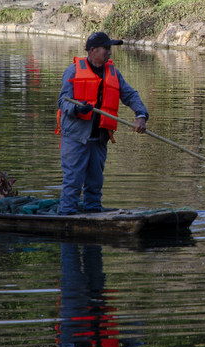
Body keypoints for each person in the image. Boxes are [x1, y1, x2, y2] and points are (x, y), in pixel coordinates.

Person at [56, 32, 149, 215]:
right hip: (75, 138)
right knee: (73, 182)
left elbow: (130, 95)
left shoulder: (113, 73)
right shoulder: (73, 70)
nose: (109, 53)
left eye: (110, 48)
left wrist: (141, 115)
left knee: (95, 183)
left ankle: (94, 215)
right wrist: (77, 109)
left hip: (99, 139)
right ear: (92, 50)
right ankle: (66, 218)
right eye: (106, 49)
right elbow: (63, 101)